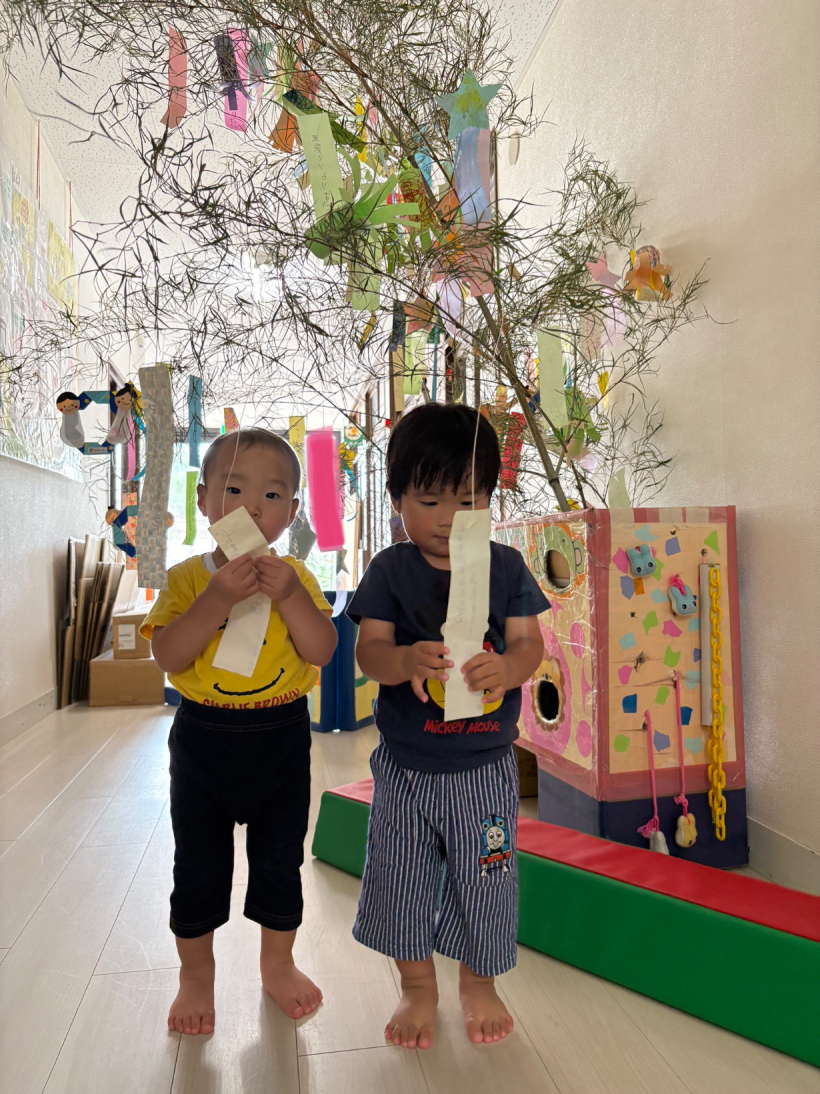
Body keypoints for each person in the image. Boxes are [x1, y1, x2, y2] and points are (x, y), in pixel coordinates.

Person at [347, 404, 549, 1050]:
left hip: (485, 769)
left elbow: (530, 646)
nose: (447, 519)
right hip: (407, 767)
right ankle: (417, 987)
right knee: (399, 876)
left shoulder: (506, 567)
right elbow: (369, 653)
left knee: (488, 878)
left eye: (467, 501)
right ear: (397, 500)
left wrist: (508, 668)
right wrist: (404, 660)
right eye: (428, 501)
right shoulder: (390, 570)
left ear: (489, 498)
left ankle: (478, 982)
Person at [141, 428, 337, 1037]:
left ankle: (277, 964)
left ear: (292, 512)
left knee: (280, 861)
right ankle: (195, 974)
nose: (252, 508)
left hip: (281, 740)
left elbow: (322, 650)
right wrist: (215, 600)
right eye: (233, 490)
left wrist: (292, 598)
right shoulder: (185, 579)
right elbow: (169, 656)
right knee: (198, 865)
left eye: (271, 496)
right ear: (203, 500)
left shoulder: (296, 576)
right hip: (204, 741)